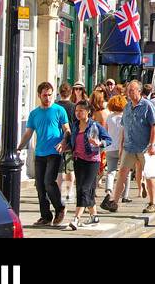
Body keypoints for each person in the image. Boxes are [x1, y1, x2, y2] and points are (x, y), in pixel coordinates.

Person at [15, 81, 71, 227]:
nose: (48, 98)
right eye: (45, 95)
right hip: (40, 153)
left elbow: (67, 129)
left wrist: (64, 141)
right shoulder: (34, 114)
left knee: (48, 181)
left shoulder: (59, 110)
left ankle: (60, 208)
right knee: (39, 185)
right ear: (39, 95)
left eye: (50, 95)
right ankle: (45, 216)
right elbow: (28, 133)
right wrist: (19, 147)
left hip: (55, 151)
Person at [101, 80, 155, 215]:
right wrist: (121, 145)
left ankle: (153, 203)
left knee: (150, 175)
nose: (129, 93)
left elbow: (154, 126)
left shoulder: (147, 105)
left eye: (132, 90)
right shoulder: (127, 107)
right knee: (122, 172)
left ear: (139, 91)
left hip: (145, 147)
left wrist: (152, 144)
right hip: (129, 146)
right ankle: (114, 202)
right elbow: (124, 127)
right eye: (128, 90)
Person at [66, 100, 108, 230]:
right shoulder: (75, 125)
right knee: (85, 190)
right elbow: (71, 141)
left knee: (84, 189)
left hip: (92, 161)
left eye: (81, 111)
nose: (78, 113)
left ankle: (76, 218)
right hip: (78, 160)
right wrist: (65, 146)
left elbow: (108, 139)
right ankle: (94, 216)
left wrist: (99, 143)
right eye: (76, 111)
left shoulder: (94, 126)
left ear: (88, 112)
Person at [103, 94, 126, 199]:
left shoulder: (109, 117)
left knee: (110, 171)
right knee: (125, 172)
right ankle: (124, 195)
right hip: (123, 148)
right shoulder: (125, 117)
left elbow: (105, 131)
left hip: (110, 148)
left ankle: (108, 190)